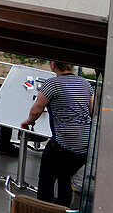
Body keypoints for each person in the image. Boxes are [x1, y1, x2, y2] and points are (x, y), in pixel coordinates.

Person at [22, 61, 94, 205]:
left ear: (53, 64)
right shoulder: (86, 83)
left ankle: (44, 206)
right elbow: (91, 110)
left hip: (62, 145)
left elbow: (37, 109)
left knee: (46, 180)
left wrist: (29, 121)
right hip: (84, 147)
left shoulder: (52, 84)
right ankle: (62, 206)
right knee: (65, 178)